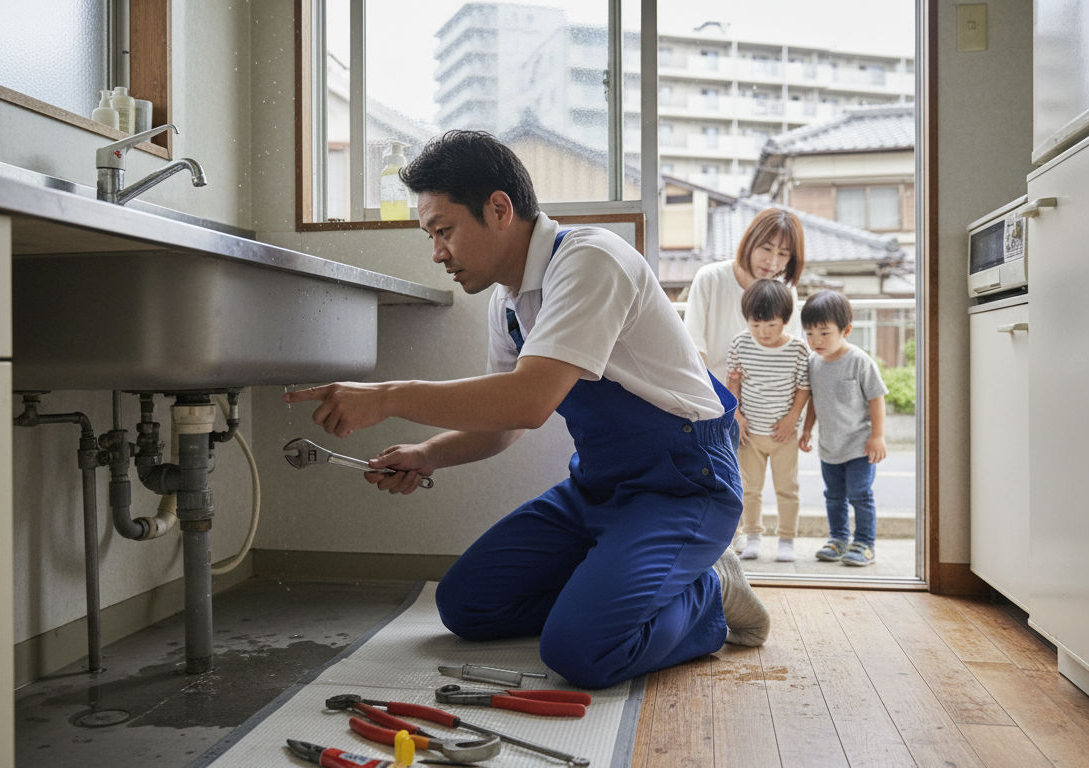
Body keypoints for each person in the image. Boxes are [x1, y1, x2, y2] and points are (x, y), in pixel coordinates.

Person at [283, 130, 769, 689]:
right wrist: (428, 455)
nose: (437, 252)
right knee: (466, 606)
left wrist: (388, 397)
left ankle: (708, 591)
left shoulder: (590, 260)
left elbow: (530, 401)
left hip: (683, 487)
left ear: (498, 209)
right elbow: (507, 421)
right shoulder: (508, 304)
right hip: (598, 490)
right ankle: (618, 581)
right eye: (431, 236)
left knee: (581, 653)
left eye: (444, 231)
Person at [681, 208, 805, 556]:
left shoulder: (786, 294)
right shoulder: (711, 278)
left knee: (771, 483)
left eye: (784, 254)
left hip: (763, 411)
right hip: (712, 402)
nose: (773, 261)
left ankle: (765, 540)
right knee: (720, 482)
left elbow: (789, 360)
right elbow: (696, 352)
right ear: (749, 242)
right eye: (767, 248)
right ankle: (719, 547)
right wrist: (724, 408)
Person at [797, 290, 889, 567]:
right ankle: (838, 539)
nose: (816, 341)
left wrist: (878, 436)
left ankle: (864, 543)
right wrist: (807, 429)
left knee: (860, 495)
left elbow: (877, 399)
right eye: (810, 334)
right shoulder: (813, 363)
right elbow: (813, 399)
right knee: (833, 496)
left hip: (859, 446)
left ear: (846, 330)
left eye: (824, 333)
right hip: (830, 447)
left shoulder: (860, 361)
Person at [725, 280, 811, 563]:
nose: (763, 332)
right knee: (750, 488)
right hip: (750, 434)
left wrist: (792, 419)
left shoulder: (798, 349)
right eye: (755, 324)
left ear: (786, 320)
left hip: (783, 435)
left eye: (771, 325)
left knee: (788, 488)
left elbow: (803, 387)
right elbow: (733, 382)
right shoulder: (740, 342)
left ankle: (786, 539)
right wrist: (736, 416)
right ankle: (753, 537)